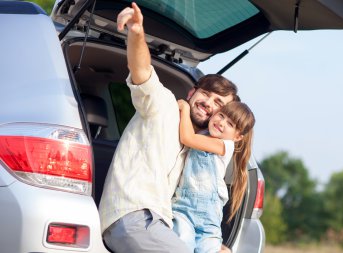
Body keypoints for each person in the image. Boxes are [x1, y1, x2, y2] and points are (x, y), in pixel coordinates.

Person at [98, 3, 239, 253]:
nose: (208, 104)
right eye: (206, 94)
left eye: (218, 103)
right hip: (132, 214)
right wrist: (138, 32)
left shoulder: (199, 150)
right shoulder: (163, 105)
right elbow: (141, 70)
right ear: (192, 92)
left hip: (164, 225)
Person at [172, 100, 255, 253]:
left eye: (230, 124)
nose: (222, 123)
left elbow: (187, 138)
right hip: (183, 208)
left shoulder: (225, 145)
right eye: (221, 115)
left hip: (209, 218)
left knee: (208, 248)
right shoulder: (202, 133)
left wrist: (185, 108)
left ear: (237, 137)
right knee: (182, 243)